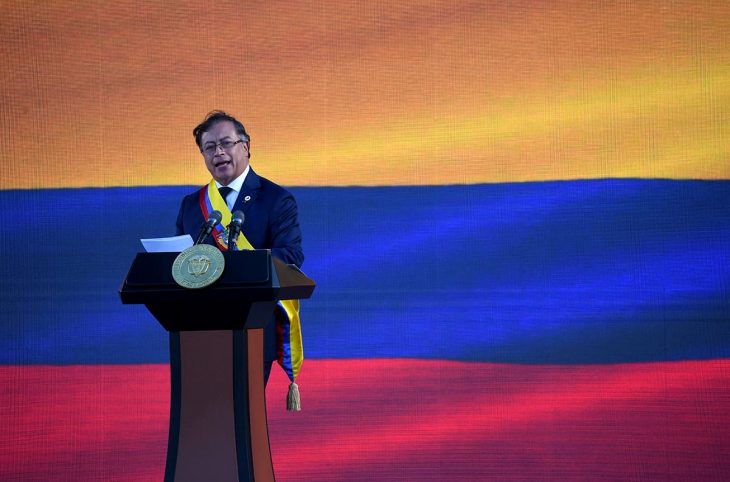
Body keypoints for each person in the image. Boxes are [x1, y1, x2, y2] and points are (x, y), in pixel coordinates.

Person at [175, 111, 304, 387]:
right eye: (210, 147)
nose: (218, 152)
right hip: (200, 333)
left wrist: (239, 266)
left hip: (253, 328)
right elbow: (180, 261)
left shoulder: (276, 199)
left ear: (245, 147)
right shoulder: (191, 205)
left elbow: (291, 256)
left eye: (226, 143)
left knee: (243, 418)